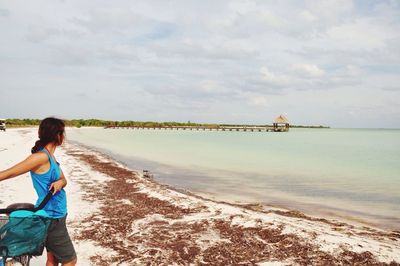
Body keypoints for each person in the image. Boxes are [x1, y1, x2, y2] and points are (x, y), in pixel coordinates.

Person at [0, 117, 77, 266]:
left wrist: (60, 182)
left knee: (52, 259)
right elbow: (8, 173)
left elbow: (63, 179)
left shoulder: (50, 157)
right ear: (58, 135)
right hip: (52, 217)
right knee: (70, 260)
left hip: (55, 214)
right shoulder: (40, 157)